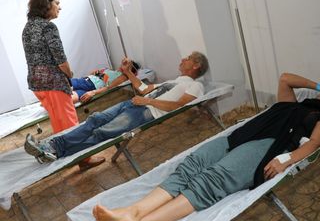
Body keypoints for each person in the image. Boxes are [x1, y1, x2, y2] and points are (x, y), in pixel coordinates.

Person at [91, 73, 320, 221]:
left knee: (211, 181)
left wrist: (287, 160)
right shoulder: (291, 102)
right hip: (238, 137)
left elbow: (314, 143)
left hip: (266, 148)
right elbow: (285, 78)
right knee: (190, 167)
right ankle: (132, 211)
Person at [24, 51, 209, 163]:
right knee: (94, 119)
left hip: (146, 112)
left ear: (196, 66)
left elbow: (177, 106)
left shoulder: (196, 85)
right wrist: (128, 72)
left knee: (100, 133)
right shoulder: (174, 81)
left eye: (189, 58)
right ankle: (51, 146)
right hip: (134, 104)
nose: (184, 58)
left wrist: (148, 102)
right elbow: (144, 89)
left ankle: (54, 150)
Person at [22, 0, 104, 171]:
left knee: (59, 124)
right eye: (57, 3)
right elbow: (60, 59)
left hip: (38, 84)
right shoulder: (48, 27)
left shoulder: (28, 27)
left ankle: (66, 156)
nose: (60, 7)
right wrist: (70, 73)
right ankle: (83, 159)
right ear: (46, 5)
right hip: (53, 83)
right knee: (71, 124)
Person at [70, 61, 140, 103]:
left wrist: (93, 92)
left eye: (126, 65)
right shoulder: (111, 70)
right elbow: (94, 73)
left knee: (69, 99)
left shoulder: (123, 77)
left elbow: (109, 87)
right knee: (62, 88)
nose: (123, 65)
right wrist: (98, 73)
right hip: (85, 81)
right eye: (124, 64)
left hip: (91, 87)